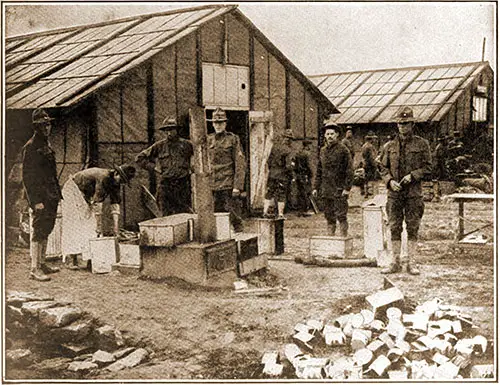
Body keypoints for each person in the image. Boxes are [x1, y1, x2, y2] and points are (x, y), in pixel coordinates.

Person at [379, 106, 432, 275]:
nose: (403, 127)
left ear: (412, 124)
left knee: (412, 227)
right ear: (397, 125)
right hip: (394, 193)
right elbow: (382, 167)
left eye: (406, 123)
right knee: (394, 226)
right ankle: (395, 262)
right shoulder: (388, 146)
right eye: (400, 123)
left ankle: (412, 263)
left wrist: (413, 176)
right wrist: (389, 181)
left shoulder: (422, 144)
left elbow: (429, 167)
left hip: (413, 194)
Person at [61, 164, 136, 266]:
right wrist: (99, 226)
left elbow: (115, 205)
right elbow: (98, 204)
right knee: (75, 224)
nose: (121, 183)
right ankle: (70, 258)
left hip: (84, 195)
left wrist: (116, 229)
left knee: (89, 224)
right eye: (121, 179)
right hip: (72, 189)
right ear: (116, 173)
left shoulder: (116, 183)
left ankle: (88, 258)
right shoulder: (104, 177)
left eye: (123, 182)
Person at [22, 108, 63, 281]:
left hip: (51, 194)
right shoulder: (31, 147)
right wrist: (36, 201)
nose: (47, 128)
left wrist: (56, 193)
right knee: (38, 230)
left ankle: (43, 262)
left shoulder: (46, 144)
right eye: (43, 125)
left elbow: (51, 173)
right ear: (36, 127)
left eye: (49, 124)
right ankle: (34, 268)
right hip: (40, 196)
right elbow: (28, 177)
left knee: (47, 227)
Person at [136, 117, 194, 216]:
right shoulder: (160, 146)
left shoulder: (187, 145)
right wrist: (154, 167)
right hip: (166, 185)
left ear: (176, 130)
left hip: (182, 185)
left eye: (171, 129)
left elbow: (199, 156)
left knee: (184, 214)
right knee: (165, 214)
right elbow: (139, 158)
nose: (169, 133)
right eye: (166, 130)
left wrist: (192, 168)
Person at [207, 108, 246, 232]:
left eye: (221, 123)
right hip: (212, 184)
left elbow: (240, 164)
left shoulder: (233, 139)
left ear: (225, 124)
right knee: (214, 217)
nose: (218, 125)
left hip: (228, 183)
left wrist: (237, 186)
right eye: (216, 123)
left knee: (234, 217)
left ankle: (239, 240)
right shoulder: (208, 139)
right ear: (212, 124)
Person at [312, 120, 353, 237]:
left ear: (337, 135)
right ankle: (331, 239)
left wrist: (347, 188)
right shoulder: (323, 151)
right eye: (327, 134)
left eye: (332, 134)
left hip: (339, 189)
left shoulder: (343, 150)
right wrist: (316, 187)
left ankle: (343, 239)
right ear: (325, 135)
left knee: (341, 215)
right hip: (326, 190)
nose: (329, 136)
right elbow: (319, 171)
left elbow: (349, 171)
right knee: (329, 216)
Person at [263, 132, 295, 219]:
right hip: (282, 176)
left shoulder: (274, 148)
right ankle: (280, 214)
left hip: (272, 174)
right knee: (282, 194)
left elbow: (268, 161)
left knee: (269, 192)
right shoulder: (288, 150)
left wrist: (272, 170)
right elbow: (289, 166)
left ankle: (265, 211)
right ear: (289, 140)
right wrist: (292, 176)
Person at [292, 140, 313, 216]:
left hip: (298, 175)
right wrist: (310, 174)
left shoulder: (298, 153)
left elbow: (294, 164)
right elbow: (309, 166)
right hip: (305, 175)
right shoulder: (307, 154)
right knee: (306, 192)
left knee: (300, 192)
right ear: (307, 146)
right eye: (310, 145)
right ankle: (305, 210)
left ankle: (300, 210)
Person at [361, 131, 379, 197]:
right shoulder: (370, 146)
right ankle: (373, 193)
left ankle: (366, 193)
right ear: (371, 139)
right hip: (370, 165)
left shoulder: (363, 146)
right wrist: (375, 165)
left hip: (365, 164)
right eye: (373, 139)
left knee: (366, 179)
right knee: (373, 179)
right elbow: (372, 157)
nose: (374, 140)